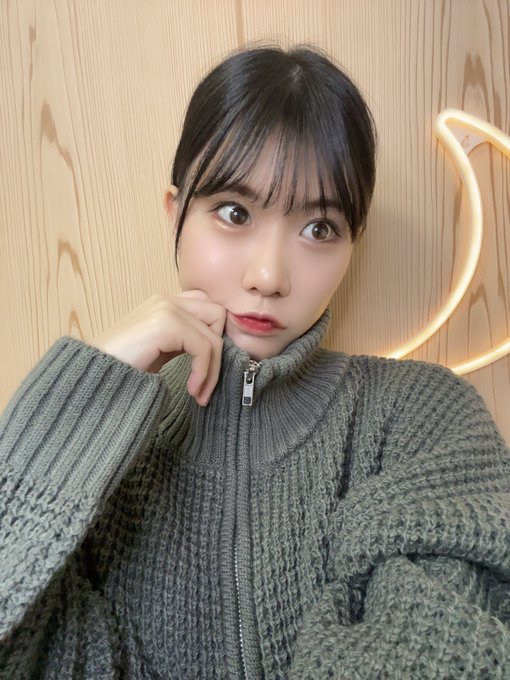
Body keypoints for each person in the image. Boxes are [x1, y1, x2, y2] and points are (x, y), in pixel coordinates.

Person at [1, 42, 509, 680]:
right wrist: (84, 391)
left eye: (319, 228)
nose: (268, 277)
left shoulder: (424, 418)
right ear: (176, 215)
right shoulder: (95, 453)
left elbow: (444, 649)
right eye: (234, 213)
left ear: (353, 243)